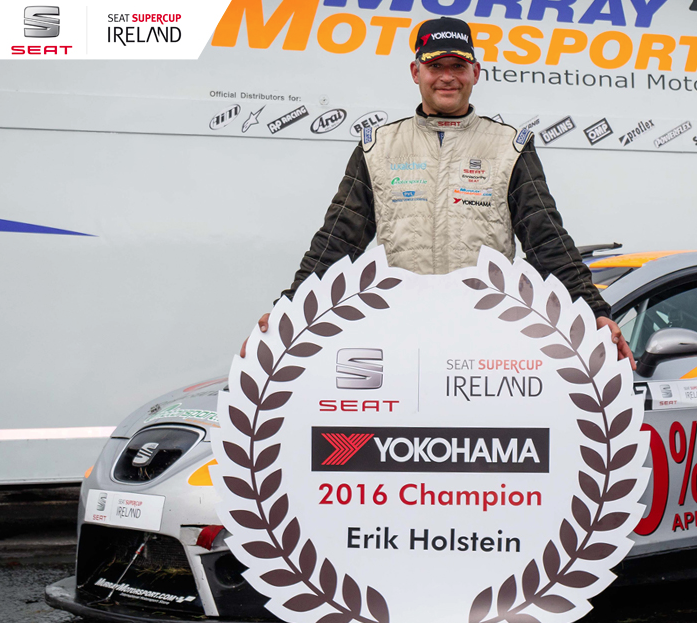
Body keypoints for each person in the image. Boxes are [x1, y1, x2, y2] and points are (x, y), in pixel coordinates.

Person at [242, 17, 633, 368]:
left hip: (487, 334)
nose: (448, 77)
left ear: (475, 72)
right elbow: (337, 241)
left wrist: (593, 310)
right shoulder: (378, 146)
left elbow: (547, 239)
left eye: (458, 66)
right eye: (435, 66)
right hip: (398, 331)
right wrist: (288, 311)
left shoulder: (509, 146)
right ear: (416, 72)